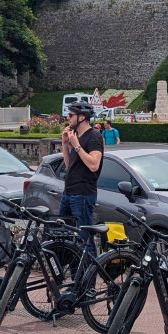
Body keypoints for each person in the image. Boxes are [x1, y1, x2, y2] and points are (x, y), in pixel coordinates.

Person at [59, 103, 104, 241]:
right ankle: (69, 262)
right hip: (69, 192)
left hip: (83, 194)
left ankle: (90, 263)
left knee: (84, 239)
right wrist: (65, 144)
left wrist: (76, 145)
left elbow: (94, 165)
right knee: (62, 235)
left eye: (71, 115)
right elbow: (69, 166)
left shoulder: (94, 136)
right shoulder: (76, 136)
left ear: (82, 117)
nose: (68, 118)